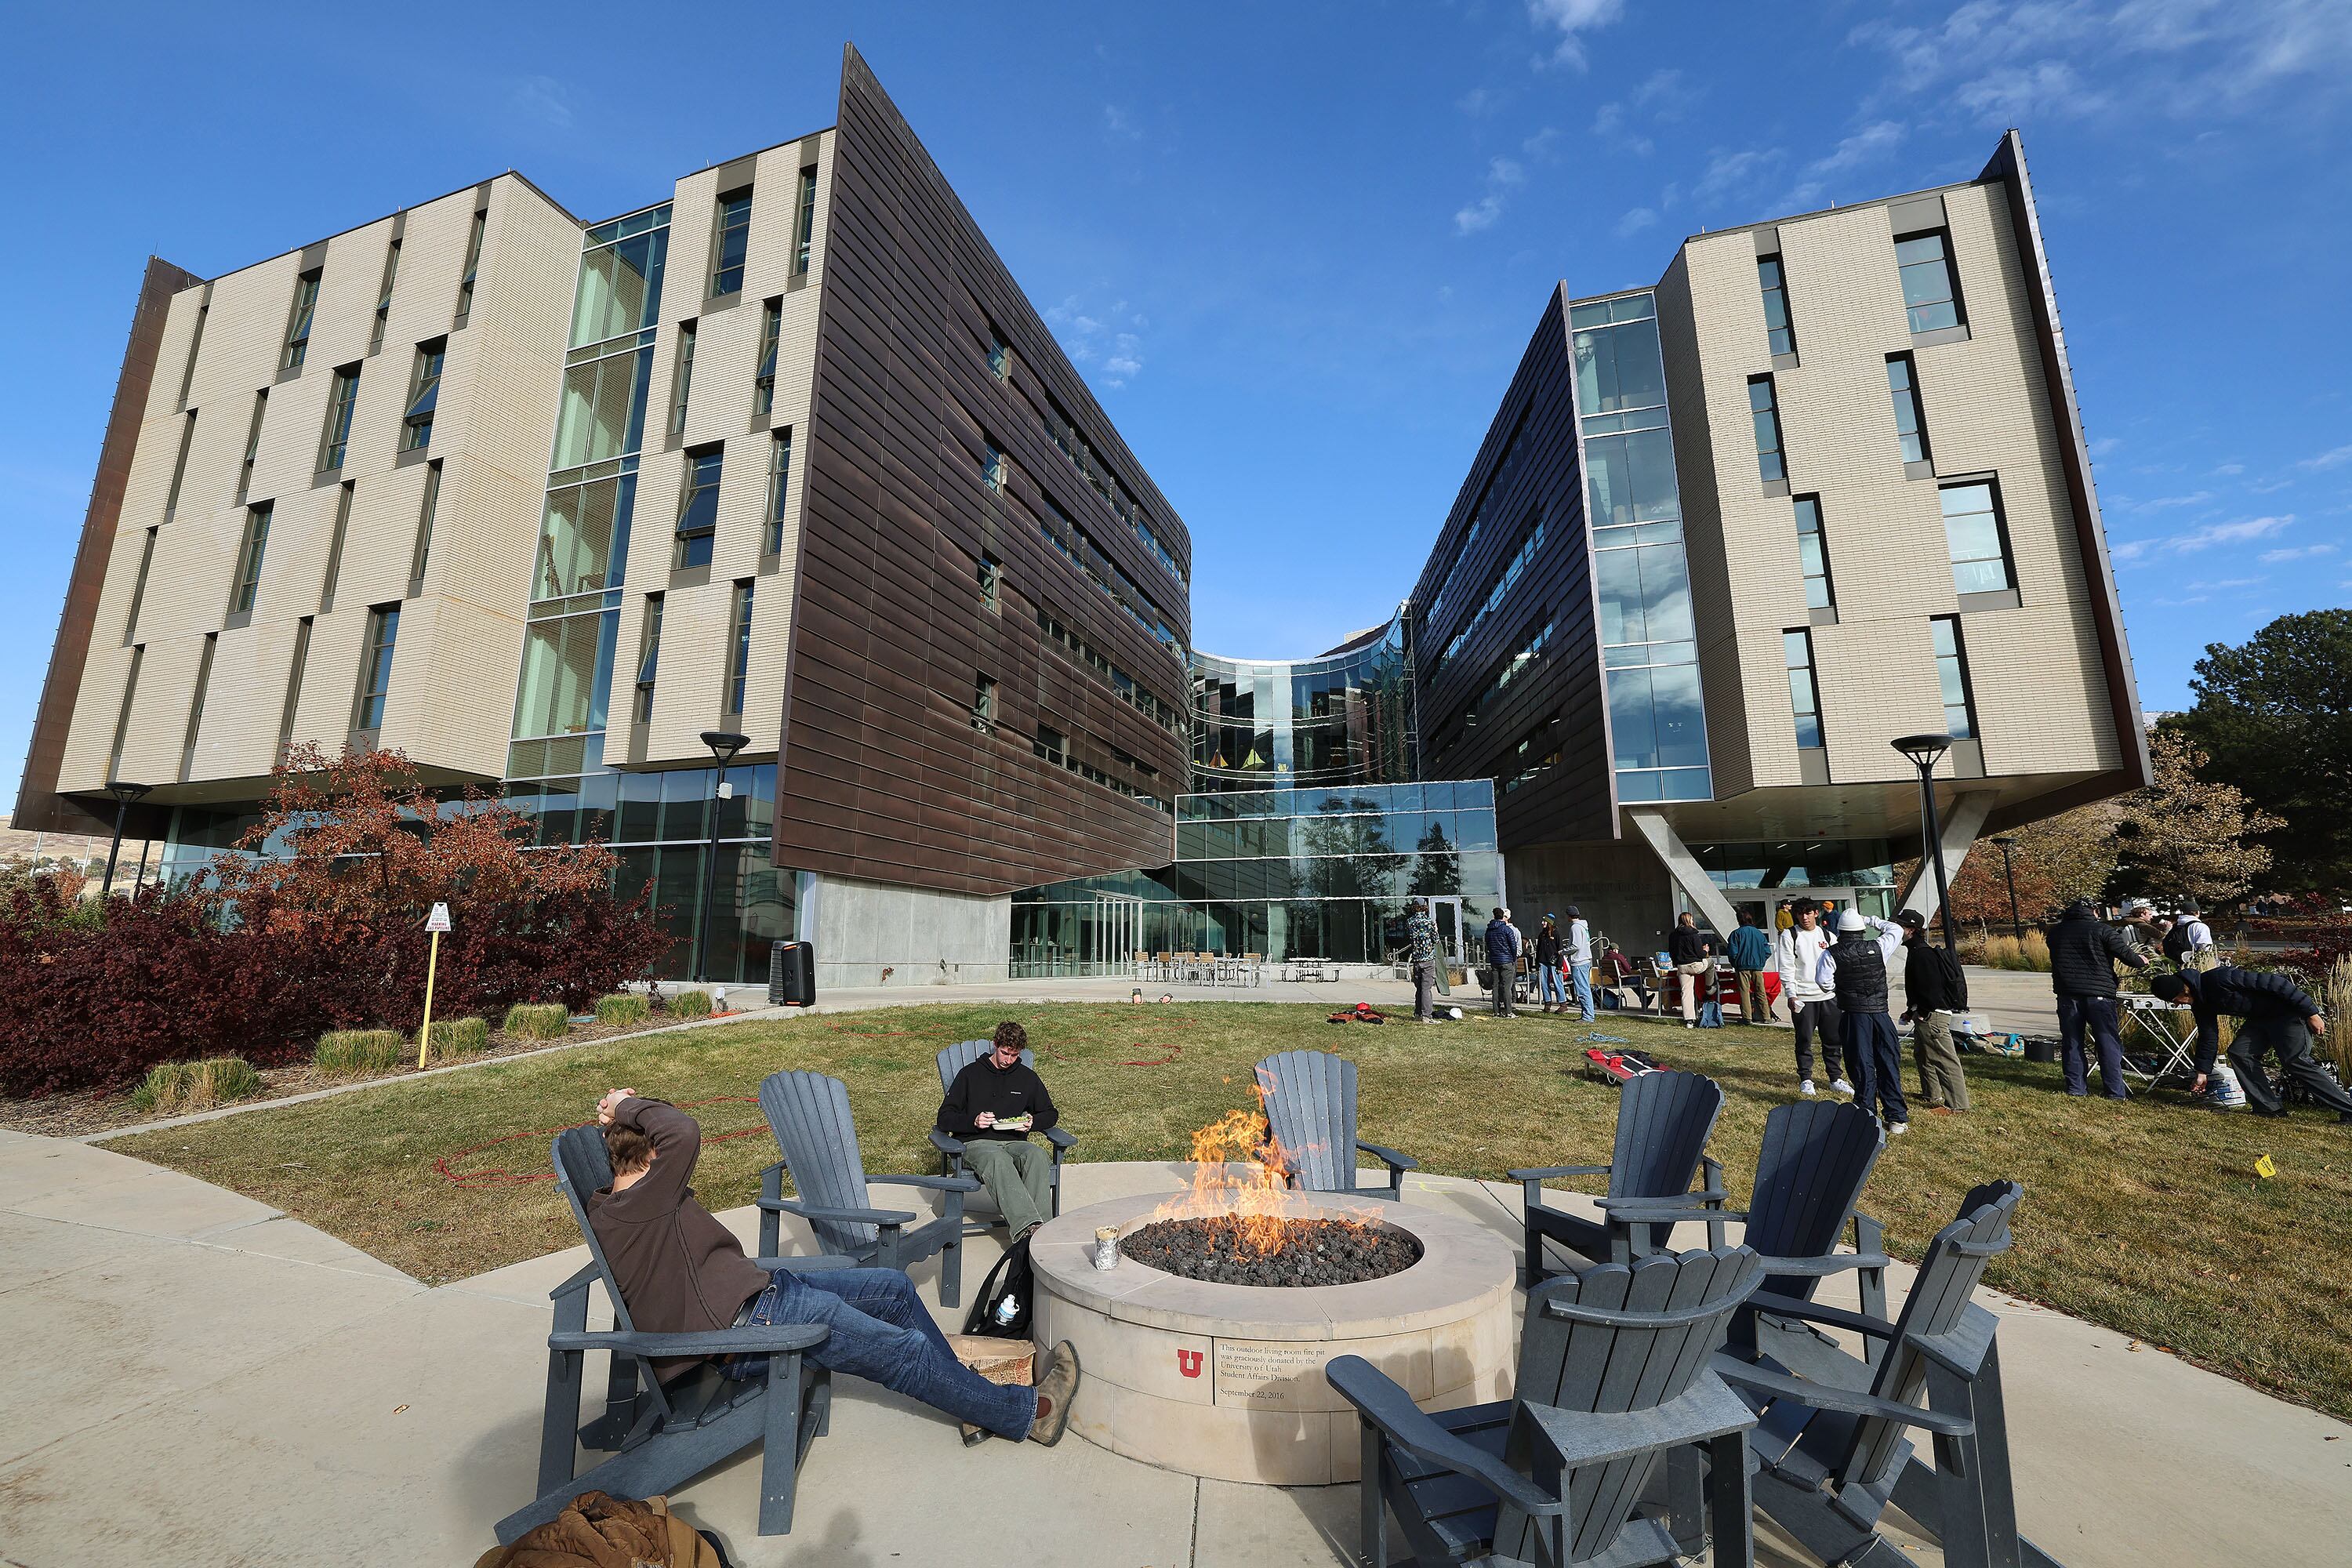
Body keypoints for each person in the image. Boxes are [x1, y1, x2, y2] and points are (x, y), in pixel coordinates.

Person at [588, 1090, 1080, 1446]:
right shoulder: (646, 1199)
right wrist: (626, 1105)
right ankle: (1027, 1414)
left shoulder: (612, 1204)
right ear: (652, 1154)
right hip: (750, 1326)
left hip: (763, 1296)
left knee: (891, 1287)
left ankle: (971, 1399)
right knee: (902, 1352)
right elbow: (684, 1130)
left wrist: (621, 1120)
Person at [2156, 967, 2352, 1123]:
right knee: (2239, 1053)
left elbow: (2277, 984)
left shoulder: (2220, 978)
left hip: (2288, 1015)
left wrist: (2312, 1013)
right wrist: (2201, 1072)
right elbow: (2208, 1035)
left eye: (2175, 1001)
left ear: (2183, 991)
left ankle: (2348, 1110)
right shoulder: (2200, 1002)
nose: (2177, 1005)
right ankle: (2269, 1108)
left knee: (2296, 1062)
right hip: (2260, 1020)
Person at [937, 1021, 1062, 1241]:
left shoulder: (1027, 1078)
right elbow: (944, 1118)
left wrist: (1032, 1121)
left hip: (1014, 1140)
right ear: (996, 1045)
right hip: (976, 1143)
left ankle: (1044, 1233)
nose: (1009, 1060)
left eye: (1014, 1055)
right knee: (998, 1159)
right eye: (1005, 1053)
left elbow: (1051, 1113)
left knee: (1037, 1155)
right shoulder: (970, 1074)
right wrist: (973, 1121)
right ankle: (1027, 1229)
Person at [2046, 898, 2149, 1098]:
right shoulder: (2102, 930)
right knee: (2107, 1042)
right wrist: (2142, 960)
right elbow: (2128, 956)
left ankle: (2076, 1088)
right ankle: (2114, 1092)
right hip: (2100, 993)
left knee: (2072, 1041)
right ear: (2093, 911)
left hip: (2067, 993)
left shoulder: (2055, 932)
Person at [1817, 910, 1908, 1133]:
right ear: (1861, 930)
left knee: (1861, 1065)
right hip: (1881, 1013)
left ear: (1840, 931)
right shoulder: (1879, 947)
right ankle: (1896, 1117)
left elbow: (1823, 982)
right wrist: (1871, 919)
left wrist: (1841, 990)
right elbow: (1895, 929)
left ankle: (1867, 1114)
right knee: (1888, 1063)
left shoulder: (1831, 954)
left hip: (1853, 1014)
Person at [1896, 911, 1971, 1113]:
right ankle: (1931, 1093)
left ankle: (1957, 1105)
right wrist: (1910, 1010)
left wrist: (1923, 1010)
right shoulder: (1916, 951)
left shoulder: (1923, 954)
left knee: (1944, 1058)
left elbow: (1932, 989)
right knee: (1924, 1055)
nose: (1895, 929)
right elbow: (1919, 988)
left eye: (1899, 926)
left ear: (1910, 930)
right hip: (1925, 1013)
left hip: (1933, 1016)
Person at [1775, 898, 1848, 1098]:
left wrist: (1839, 989)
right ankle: (1806, 1079)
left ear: (1816, 913)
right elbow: (1787, 966)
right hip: (1803, 997)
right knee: (1804, 1039)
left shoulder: (1828, 935)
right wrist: (1791, 994)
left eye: (1808, 913)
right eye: (1800, 914)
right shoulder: (1790, 935)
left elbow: (1838, 964)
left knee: (1833, 1039)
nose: (1804, 917)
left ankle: (1835, 1078)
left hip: (1828, 996)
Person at [1667, 912, 1718, 1029]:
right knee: (1710, 962)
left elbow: (1671, 952)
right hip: (1695, 965)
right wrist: (1705, 950)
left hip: (1682, 967)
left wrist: (1676, 962)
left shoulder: (1673, 935)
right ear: (1690, 920)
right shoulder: (1693, 934)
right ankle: (1709, 987)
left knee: (1686, 992)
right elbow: (1700, 954)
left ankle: (1689, 1020)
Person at [1726, 909, 1777, 1025]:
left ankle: (1747, 1017)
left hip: (1742, 966)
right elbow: (1767, 951)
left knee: (1744, 991)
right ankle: (1766, 1016)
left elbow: (1733, 952)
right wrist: (1761, 961)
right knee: (1761, 991)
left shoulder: (1736, 934)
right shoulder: (1759, 933)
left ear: (1739, 920)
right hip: (1757, 966)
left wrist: (1735, 963)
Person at [1483, 906, 1523, 1018]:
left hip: (1495, 960)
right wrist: (1512, 958)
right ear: (1503, 917)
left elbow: (1488, 944)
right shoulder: (1507, 930)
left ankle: (1496, 1011)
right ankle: (1508, 1011)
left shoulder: (1489, 930)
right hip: (1506, 960)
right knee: (1507, 986)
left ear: (1494, 916)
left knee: (1495, 986)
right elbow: (1513, 946)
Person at [1406, 898, 1440, 1022]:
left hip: (1416, 959)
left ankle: (1418, 1013)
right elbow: (1436, 940)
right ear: (1424, 906)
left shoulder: (1410, 922)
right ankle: (1427, 1015)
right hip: (1428, 959)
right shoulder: (1429, 921)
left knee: (1419, 988)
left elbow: (1410, 937)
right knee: (1426, 988)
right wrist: (1435, 930)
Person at [2163, 899, 2220, 972]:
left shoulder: (2177, 926)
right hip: (2195, 966)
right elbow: (2205, 947)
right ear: (2197, 912)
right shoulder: (2200, 926)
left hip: (2177, 963)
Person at [1565, 906, 1596, 1022]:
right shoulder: (1583, 926)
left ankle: (1588, 1017)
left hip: (1579, 962)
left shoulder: (1575, 927)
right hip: (1586, 960)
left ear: (1569, 916)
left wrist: (1563, 952)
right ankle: (1587, 1015)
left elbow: (1576, 946)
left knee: (1583, 990)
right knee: (1585, 989)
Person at [1534, 915, 1568, 1014]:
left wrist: (1559, 965)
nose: (1542, 923)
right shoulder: (1542, 935)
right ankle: (1547, 1003)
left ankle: (1563, 1004)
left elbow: (1560, 950)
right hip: (1543, 962)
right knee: (1544, 983)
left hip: (1554, 963)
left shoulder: (1556, 934)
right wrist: (1537, 963)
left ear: (1549, 923)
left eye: (1544, 922)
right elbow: (1538, 950)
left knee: (1558, 983)